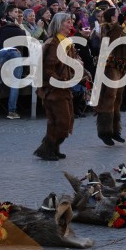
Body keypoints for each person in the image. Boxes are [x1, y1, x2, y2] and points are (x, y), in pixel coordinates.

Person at [35, 12, 82, 161]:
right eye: (68, 22)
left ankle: (54, 148)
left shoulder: (66, 42)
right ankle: (46, 149)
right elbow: (49, 68)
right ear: (59, 24)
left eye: (71, 21)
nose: (71, 25)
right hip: (55, 90)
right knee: (61, 121)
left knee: (60, 121)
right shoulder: (54, 43)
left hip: (64, 88)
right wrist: (58, 83)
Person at [95, 8, 126, 146]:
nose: (120, 17)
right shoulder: (107, 28)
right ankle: (104, 131)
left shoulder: (119, 28)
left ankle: (115, 130)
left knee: (118, 98)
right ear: (112, 18)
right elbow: (110, 43)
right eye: (118, 15)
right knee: (109, 97)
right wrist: (119, 27)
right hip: (111, 66)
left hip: (121, 66)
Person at [0, 4, 28, 120]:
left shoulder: (1, 30)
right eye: (15, 12)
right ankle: (12, 111)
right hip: (16, 53)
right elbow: (25, 48)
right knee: (14, 84)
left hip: (3, 52)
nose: (17, 14)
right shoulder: (21, 31)